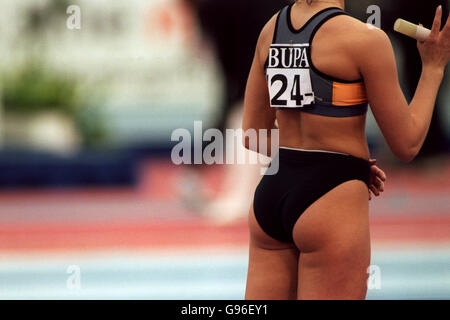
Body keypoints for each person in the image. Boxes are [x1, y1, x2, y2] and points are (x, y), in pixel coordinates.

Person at [243, 0, 449, 299]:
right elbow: (407, 143)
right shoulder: (365, 39)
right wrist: (432, 68)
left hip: (271, 197)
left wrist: (318, 155)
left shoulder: (272, 29)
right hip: (331, 202)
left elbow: (253, 135)